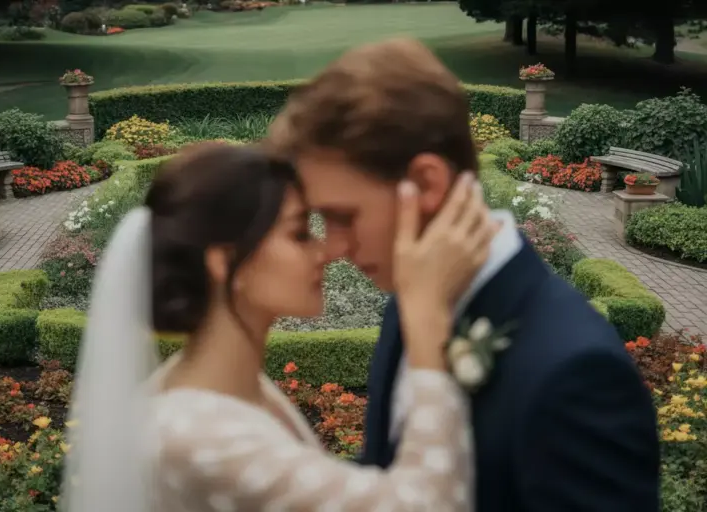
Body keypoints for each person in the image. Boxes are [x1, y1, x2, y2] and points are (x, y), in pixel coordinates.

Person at [266, 38, 661, 511]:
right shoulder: (412, 303)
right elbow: (387, 473)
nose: (331, 248)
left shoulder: (577, 373)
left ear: (426, 183)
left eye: (343, 216)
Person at [62, 141, 499, 511]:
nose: (325, 252)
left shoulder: (237, 389)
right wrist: (426, 315)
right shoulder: (195, 436)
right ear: (225, 262)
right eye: (299, 233)